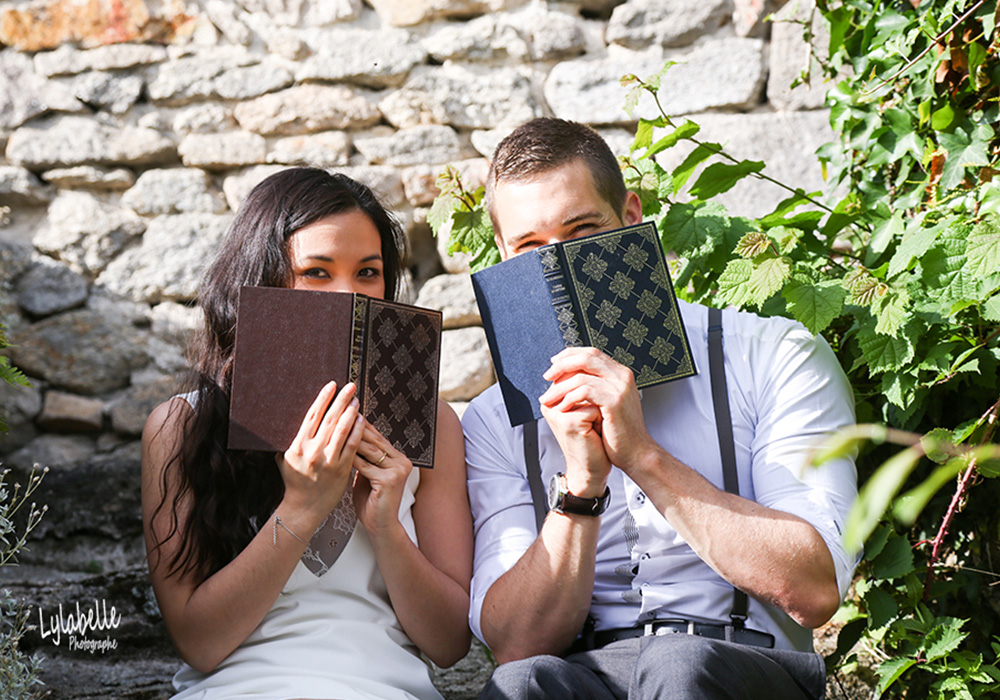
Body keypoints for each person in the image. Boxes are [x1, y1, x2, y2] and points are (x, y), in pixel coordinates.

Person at [463, 118, 858, 699]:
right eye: (530, 248)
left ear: (630, 218)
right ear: (503, 255)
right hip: (584, 674)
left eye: (582, 231)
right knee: (522, 685)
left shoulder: (772, 354)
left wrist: (644, 457)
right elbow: (514, 644)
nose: (560, 268)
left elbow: (815, 590)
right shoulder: (493, 418)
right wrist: (580, 484)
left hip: (738, 665)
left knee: (679, 666)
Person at [141, 167, 472, 700]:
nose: (349, 294)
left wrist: (384, 522)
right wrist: (301, 506)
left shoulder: (432, 426)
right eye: (317, 272)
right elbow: (200, 643)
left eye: (368, 272)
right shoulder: (182, 426)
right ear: (265, 278)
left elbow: (450, 642)